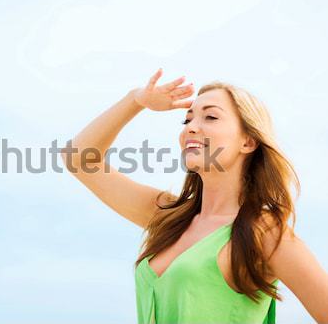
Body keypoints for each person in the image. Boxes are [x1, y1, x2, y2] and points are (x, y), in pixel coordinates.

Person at [60, 68, 328, 323]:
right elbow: (78, 159)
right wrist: (135, 99)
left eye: (210, 117)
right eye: (187, 119)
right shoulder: (168, 216)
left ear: (248, 141)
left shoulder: (263, 231)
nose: (190, 127)